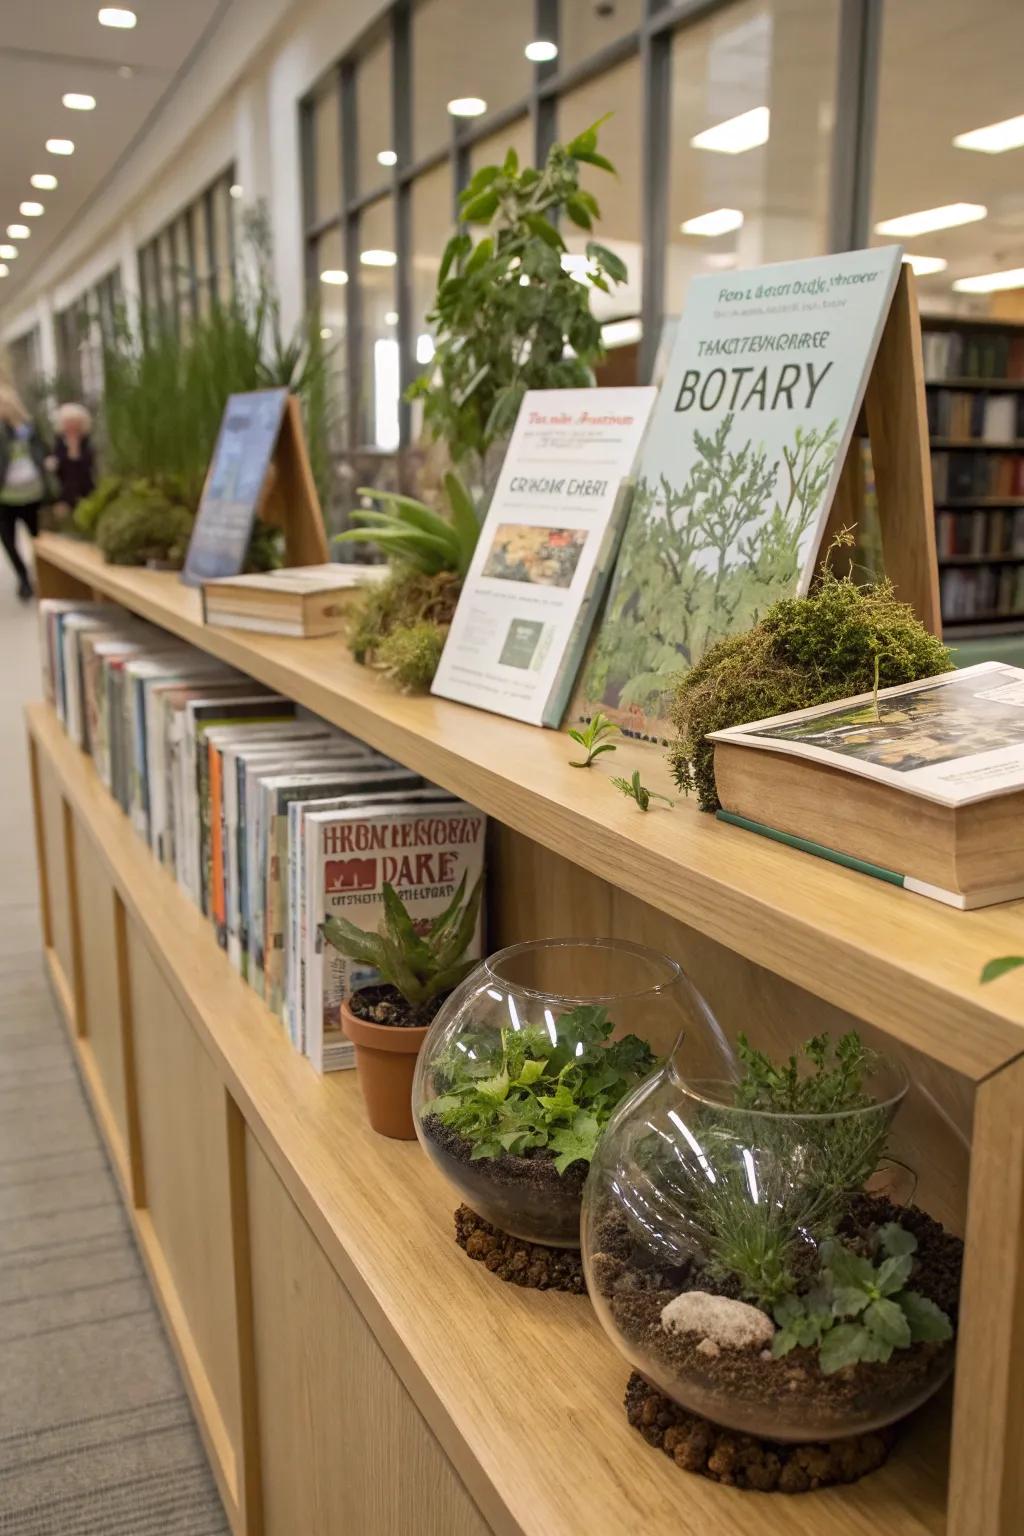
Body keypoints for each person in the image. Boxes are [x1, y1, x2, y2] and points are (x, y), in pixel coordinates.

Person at [0, 385, 50, 601]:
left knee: (38, 539)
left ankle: (44, 577)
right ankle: (23, 578)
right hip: (5, 497)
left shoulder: (29, 428)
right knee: (9, 542)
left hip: (32, 494)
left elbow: (43, 450)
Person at [50, 401, 96, 511]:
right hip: (63, 494)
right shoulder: (59, 444)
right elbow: (59, 470)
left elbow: (86, 469)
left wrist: (75, 452)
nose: (71, 426)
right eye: (68, 422)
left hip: (86, 493)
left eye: (75, 422)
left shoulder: (87, 444)